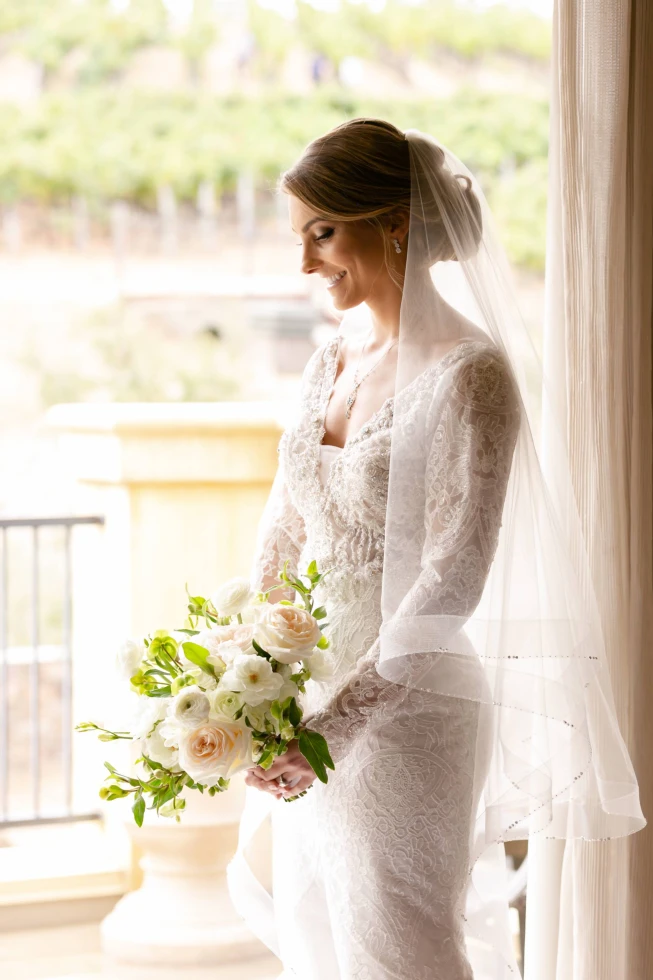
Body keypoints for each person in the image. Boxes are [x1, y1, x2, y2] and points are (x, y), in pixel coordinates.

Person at [227, 118, 646, 980]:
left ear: (394, 220)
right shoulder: (328, 360)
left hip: (410, 708)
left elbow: (454, 571)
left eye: (322, 232)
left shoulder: (471, 373)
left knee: (401, 944)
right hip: (308, 698)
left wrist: (331, 726)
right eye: (299, 236)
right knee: (322, 929)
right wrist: (248, 676)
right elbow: (284, 521)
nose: (305, 263)